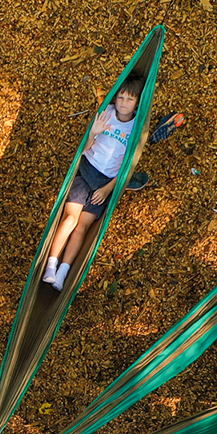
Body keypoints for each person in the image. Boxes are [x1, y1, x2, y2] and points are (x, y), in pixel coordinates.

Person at [41, 75, 147, 290]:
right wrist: (93, 133)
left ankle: (63, 272)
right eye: (120, 97)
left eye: (129, 99)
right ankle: (50, 266)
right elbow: (85, 149)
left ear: (137, 104)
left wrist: (108, 189)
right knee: (70, 219)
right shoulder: (106, 114)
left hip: (105, 182)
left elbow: (128, 166)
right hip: (87, 170)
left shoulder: (136, 127)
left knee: (82, 227)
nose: (123, 103)